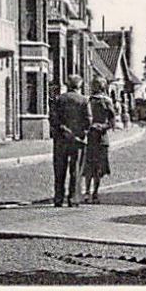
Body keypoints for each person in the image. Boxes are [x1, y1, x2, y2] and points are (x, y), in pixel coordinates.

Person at [49, 76, 90, 207]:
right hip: (77, 141)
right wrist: (81, 133)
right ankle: (73, 198)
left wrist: (63, 130)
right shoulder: (84, 101)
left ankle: (58, 198)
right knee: (76, 169)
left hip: (61, 139)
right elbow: (88, 120)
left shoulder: (59, 99)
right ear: (79, 86)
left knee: (59, 169)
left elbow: (53, 119)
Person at [83, 91, 115, 204]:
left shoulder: (107, 102)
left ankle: (95, 192)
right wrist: (89, 126)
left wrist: (102, 126)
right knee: (89, 168)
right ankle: (87, 192)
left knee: (98, 168)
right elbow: (83, 118)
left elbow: (112, 122)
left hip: (101, 138)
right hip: (90, 138)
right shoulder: (87, 101)